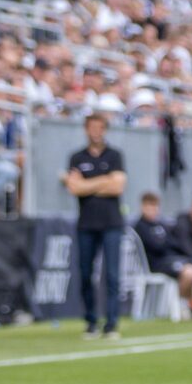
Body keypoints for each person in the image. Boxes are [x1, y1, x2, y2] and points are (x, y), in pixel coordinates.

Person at [64, 114, 126, 340]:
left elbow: (118, 186)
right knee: (85, 273)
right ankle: (91, 321)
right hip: (87, 223)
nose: (96, 132)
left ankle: (111, 323)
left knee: (111, 275)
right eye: (92, 128)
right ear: (86, 130)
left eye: (100, 128)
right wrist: (104, 181)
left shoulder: (115, 155)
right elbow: (73, 188)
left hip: (111, 222)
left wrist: (87, 184)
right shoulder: (77, 157)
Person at [133, 192, 192, 309]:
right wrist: (165, 243)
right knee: (190, 272)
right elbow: (156, 246)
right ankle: (183, 306)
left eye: (155, 206)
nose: (153, 210)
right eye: (150, 206)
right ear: (143, 207)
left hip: (171, 260)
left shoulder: (161, 225)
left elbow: (174, 243)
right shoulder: (140, 226)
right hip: (156, 264)